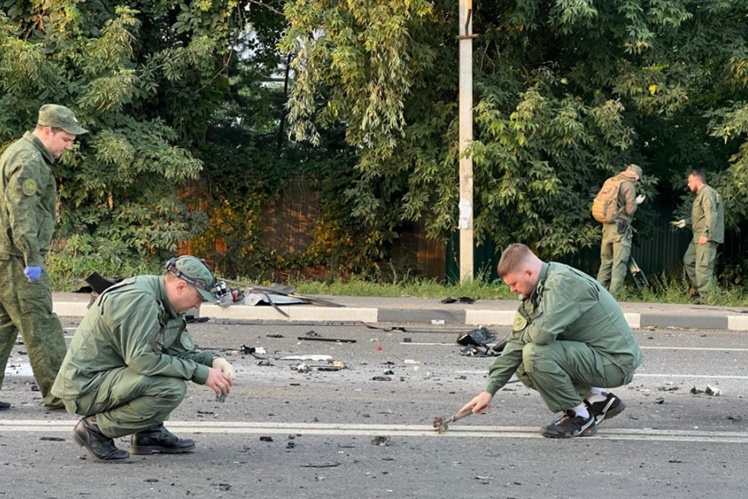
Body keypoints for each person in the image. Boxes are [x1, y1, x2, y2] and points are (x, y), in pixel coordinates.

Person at [51, 255, 236, 463]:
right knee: (169, 388)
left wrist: (214, 362)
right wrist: (200, 373)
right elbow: (143, 360)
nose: (198, 304)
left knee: (168, 374)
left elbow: (176, 352)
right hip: (85, 387)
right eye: (199, 297)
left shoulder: (166, 303)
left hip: (110, 378)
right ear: (181, 286)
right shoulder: (141, 300)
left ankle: (148, 433)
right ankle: (95, 429)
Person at [460, 243, 643, 438]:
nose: (512, 290)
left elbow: (541, 335)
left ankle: (580, 417)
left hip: (615, 362)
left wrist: (523, 337)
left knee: (535, 353)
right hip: (594, 355)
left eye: (513, 284)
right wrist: (489, 390)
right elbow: (516, 342)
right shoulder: (537, 290)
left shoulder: (563, 284)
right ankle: (596, 399)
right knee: (522, 360)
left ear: (529, 273)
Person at [0, 104, 89, 411]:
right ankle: (60, 393)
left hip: (6, 256)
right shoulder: (29, 160)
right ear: (48, 130)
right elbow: (21, 216)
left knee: (3, 326)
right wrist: (32, 260)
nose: (68, 146)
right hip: (18, 259)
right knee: (41, 324)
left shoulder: (21, 152)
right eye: (66, 139)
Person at [596, 164, 646, 298]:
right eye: (637, 178)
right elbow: (630, 210)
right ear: (635, 176)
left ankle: (599, 296)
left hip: (606, 226)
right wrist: (636, 202)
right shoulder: (628, 185)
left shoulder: (610, 181)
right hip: (620, 228)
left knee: (606, 261)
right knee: (620, 262)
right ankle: (614, 297)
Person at [673, 170, 724, 302]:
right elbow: (700, 216)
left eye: (690, 181)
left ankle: (705, 300)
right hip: (697, 237)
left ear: (698, 180)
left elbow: (711, 215)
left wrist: (706, 234)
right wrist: (686, 222)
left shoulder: (707, 193)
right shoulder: (701, 194)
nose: (688, 185)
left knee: (703, 268)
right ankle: (699, 290)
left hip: (705, 237)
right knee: (689, 260)